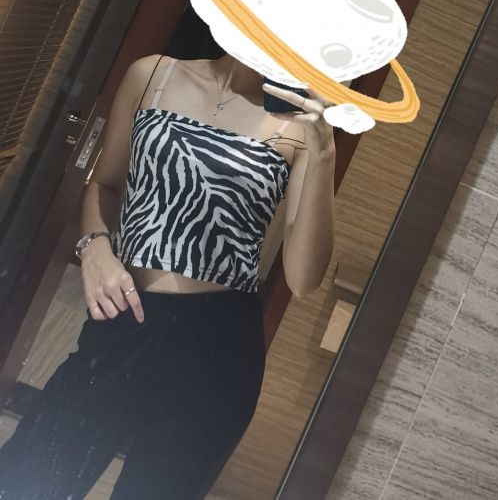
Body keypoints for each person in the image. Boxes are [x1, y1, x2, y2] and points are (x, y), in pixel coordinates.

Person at [0, 52, 336, 499]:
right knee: (29, 478)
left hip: (216, 345)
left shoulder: (300, 126)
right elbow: (105, 184)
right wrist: (94, 245)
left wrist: (324, 154)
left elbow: (302, 279)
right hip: (128, 315)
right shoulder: (153, 73)